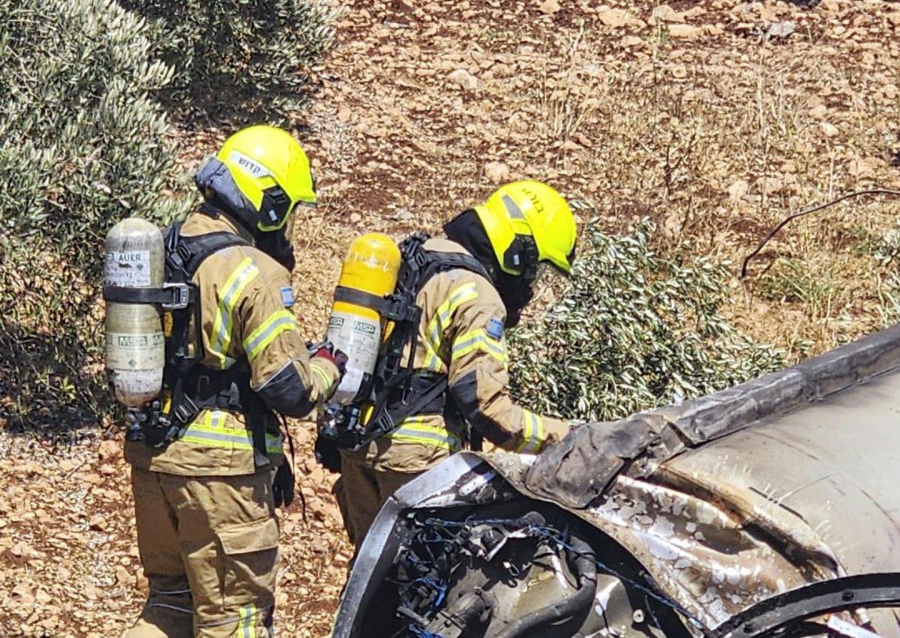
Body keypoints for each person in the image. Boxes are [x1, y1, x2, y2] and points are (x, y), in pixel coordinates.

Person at [123, 125, 346, 638]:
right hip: (220, 475)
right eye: (289, 210)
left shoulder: (167, 246)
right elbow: (289, 388)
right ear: (268, 204)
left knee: (169, 606)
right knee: (235, 621)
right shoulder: (252, 270)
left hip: (153, 455)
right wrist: (330, 365)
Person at [320, 180, 577, 552]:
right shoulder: (478, 296)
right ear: (518, 251)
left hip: (357, 447)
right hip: (417, 467)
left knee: (370, 577)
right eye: (535, 269)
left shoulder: (415, 254)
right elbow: (489, 409)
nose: (531, 285)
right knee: (425, 583)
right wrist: (568, 438)